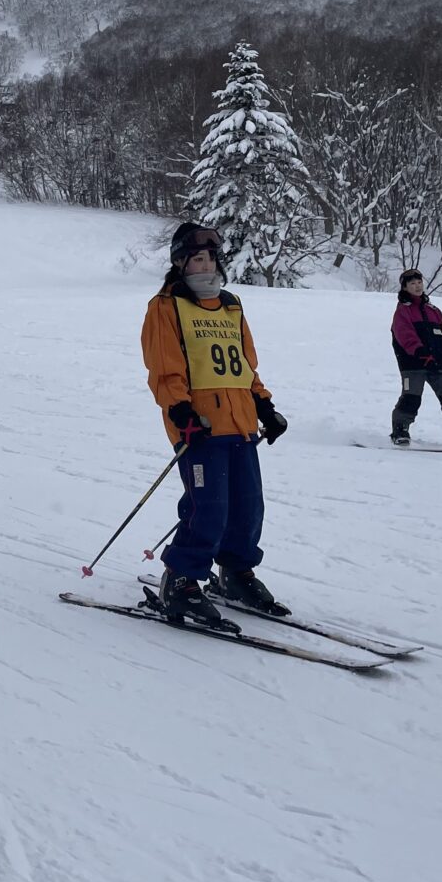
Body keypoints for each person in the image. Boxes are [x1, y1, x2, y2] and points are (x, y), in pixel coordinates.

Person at [141, 223, 290, 628]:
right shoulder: (166, 307)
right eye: (197, 259)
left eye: (210, 258)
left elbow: (244, 365)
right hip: (200, 426)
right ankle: (180, 579)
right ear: (180, 263)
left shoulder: (231, 305)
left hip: (240, 424)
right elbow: (164, 368)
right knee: (209, 506)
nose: (206, 265)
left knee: (247, 505)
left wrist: (265, 406)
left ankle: (235, 572)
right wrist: (181, 412)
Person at [390, 269, 442, 447]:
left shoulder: (434, 311)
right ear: (405, 287)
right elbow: (404, 335)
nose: (417, 286)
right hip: (413, 363)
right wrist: (419, 351)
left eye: (419, 282)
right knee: (411, 398)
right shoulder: (403, 311)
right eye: (412, 284)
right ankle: (400, 429)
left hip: (438, 362)